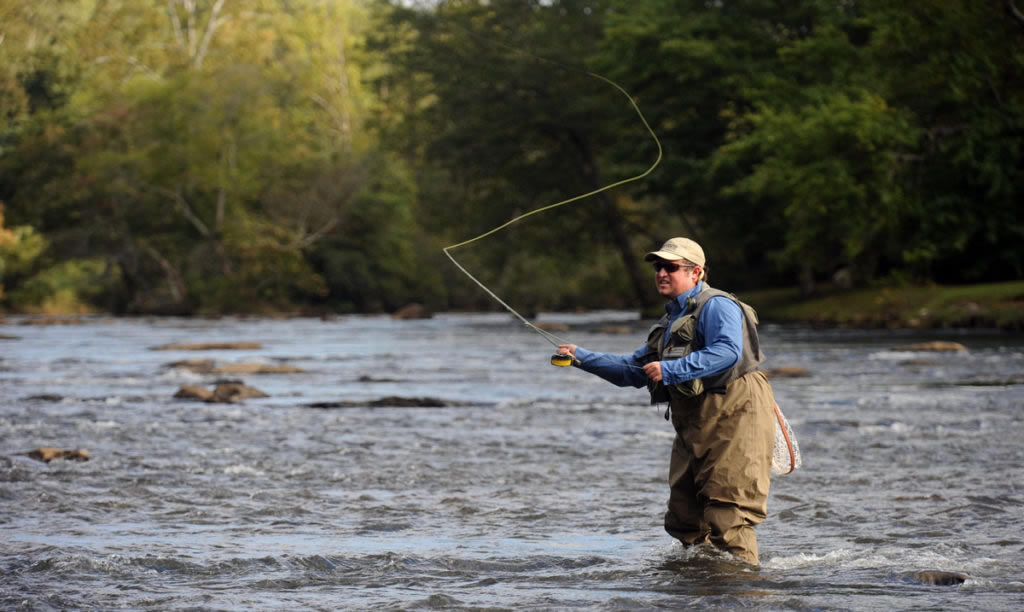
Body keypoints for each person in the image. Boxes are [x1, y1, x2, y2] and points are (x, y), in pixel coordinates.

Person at [556, 237, 776, 565]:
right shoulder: (669, 321)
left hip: (736, 416)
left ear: (696, 272)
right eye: (658, 266)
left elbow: (727, 353)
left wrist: (672, 369)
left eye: (671, 267)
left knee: (728, 515)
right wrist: (581, 358)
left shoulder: (717, 305)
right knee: (684, 517)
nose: (661, 272)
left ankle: (743, 589)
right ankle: (701, 583)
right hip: (696, 422)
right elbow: (633, 370)